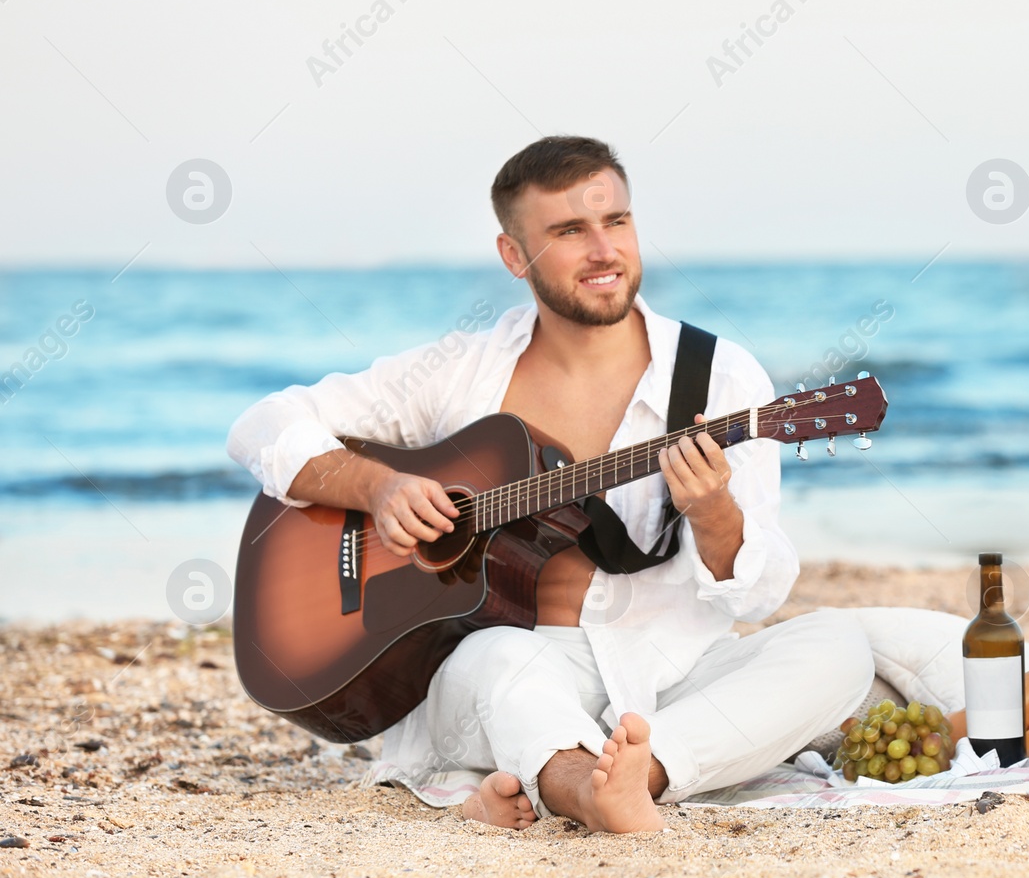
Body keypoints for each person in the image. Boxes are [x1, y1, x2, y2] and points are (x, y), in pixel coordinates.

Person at [226, 136, 873, 832]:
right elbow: (263, 424)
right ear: (514, 255)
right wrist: (378, 488)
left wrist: (713, 512)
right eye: (569, 231)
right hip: (514, 663)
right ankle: (588, 782)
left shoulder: (719, 378)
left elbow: (763, 588)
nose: (604, 251)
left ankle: (639, 774)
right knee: (497, 659)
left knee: (836, 649)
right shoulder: (464, 372)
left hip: (674, 668)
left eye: (616, 221)